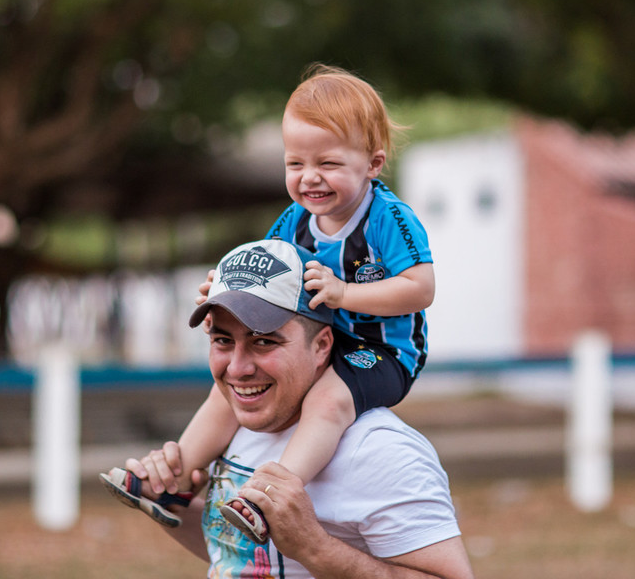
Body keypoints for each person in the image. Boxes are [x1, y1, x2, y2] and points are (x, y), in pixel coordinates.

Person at [111, 238, 473, 579]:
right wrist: (166, 504)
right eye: (223, 340)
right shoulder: (245, 421)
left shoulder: (379, 450)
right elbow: (245, 558)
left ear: (321, 346)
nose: (237, 368)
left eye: (264, 341)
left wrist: (315, 548)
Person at [188, 64, 436, 542]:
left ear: (373, 163)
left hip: (380, 352)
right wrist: (220, 287)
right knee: (229, 387)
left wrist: (346, 293)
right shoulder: (292, 221)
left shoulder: (389, 218)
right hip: (319, 342)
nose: (310, 178)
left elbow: (421, 288)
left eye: (329, 164)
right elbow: (264, 271)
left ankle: (273, 496)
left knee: (326, 402)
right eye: (295, 164)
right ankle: (174, 475)